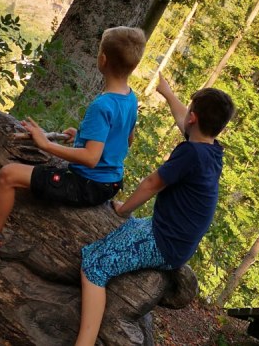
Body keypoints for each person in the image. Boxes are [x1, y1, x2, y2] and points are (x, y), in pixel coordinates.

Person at [0, 26, 146, 269]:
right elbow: (125, 140)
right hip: (110, 183)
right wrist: (81, 137)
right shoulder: (130, 98)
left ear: (102, 59)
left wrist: (45, 143)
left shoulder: (102, 105)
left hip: (88, 185)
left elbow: (90, 158)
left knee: (8, 175)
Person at [75, 74, 235, 345]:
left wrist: (124, 209)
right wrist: (168, 93)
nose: (185, 115)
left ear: (194, 118)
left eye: (190, 111)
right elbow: (184, 119)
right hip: (174, 238)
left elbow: (152, 184)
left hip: (164, 241)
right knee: (116, 236)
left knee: (93, 265)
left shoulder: (190, 153)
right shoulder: (211, 151)